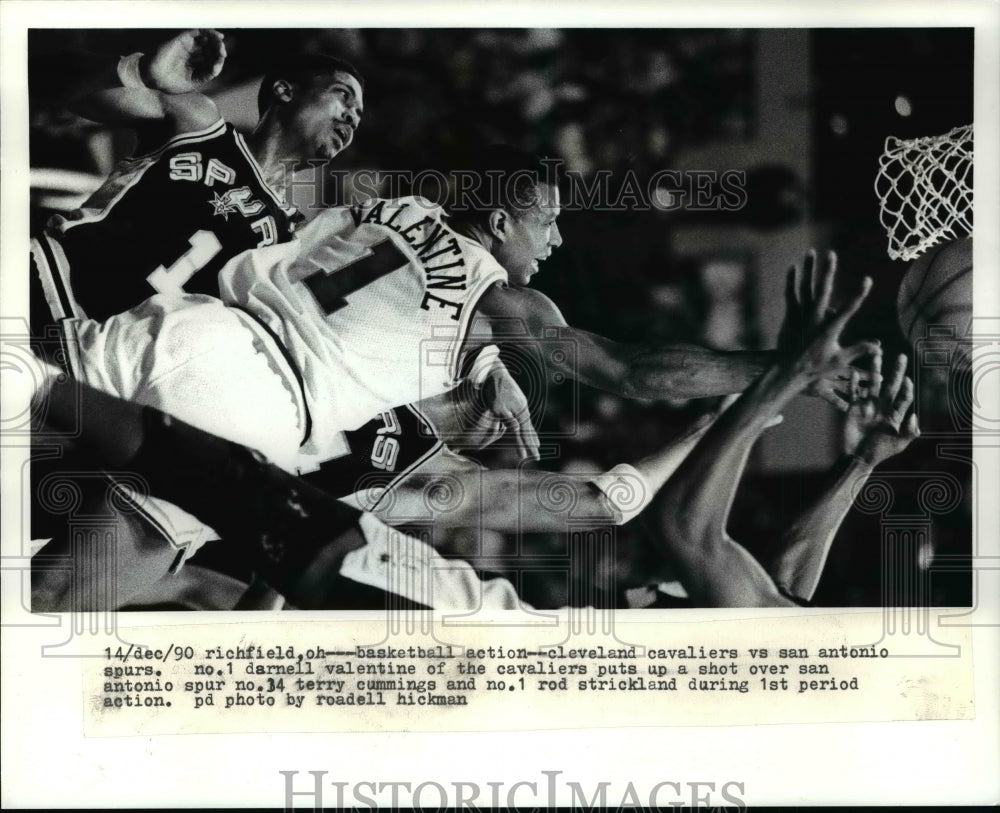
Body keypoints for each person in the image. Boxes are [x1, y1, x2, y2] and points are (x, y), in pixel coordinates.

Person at [30, 29, 364, 324]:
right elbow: (68, 90)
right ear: (284, 90)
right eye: (343, 96)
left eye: (358, 117)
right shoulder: (201, 125)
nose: (351, 117)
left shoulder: (287, 240)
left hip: (93, 350)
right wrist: (139, 70)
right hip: (46, 278)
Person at [647, 263, 920, 607]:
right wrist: (861, 461)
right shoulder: (792, 633)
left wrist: (791, 373)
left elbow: (683, 525)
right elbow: (783, 587)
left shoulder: (781, 641)